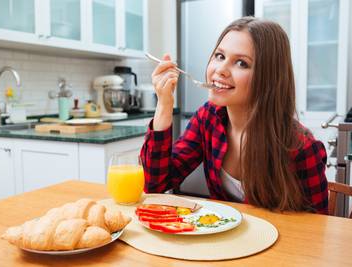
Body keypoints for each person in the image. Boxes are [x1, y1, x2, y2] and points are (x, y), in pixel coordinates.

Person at [140, 17, 328, 214]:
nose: (220, 70)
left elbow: (318, 229)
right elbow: (155, 186)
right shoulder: (208, 118)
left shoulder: (302, 146)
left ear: (268, 77)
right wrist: (164, 105)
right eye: (219, 56)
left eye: (241, 63)